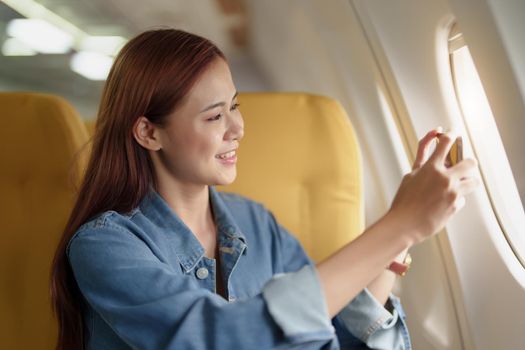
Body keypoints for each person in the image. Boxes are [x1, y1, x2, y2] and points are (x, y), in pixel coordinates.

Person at [50, 29, 479, 350]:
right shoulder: (103, 246)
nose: (238, 128)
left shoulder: (257, 223)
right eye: (215, 116)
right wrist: (399, 224)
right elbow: (222, 338)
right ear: (148, 132)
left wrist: (403, 242)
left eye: (235, 107)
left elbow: (330, 335)